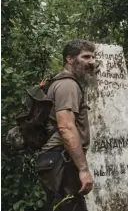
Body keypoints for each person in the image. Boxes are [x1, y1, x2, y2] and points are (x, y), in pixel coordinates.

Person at [36, 39, 95, 211]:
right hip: (61, 159)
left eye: (92, 57)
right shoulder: (68, 85)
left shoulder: (61, 82)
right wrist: (83, 170)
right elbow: (66, 128)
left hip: (57, 158)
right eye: (86, 57)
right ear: (69, 59)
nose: (92, 61)